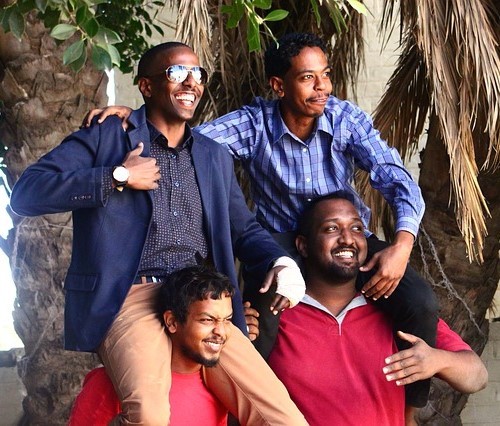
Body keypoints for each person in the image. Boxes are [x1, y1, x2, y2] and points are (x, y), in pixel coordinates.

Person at [83, 32, 438, 405]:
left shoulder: (345, 118)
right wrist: (137, 118)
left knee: (421, 303)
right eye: (307, 78)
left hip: (345, 240)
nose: (323, 88)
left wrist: (402, 244)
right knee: (259, 325)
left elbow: (396, 177)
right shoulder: (254, 124)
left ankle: (412, 408)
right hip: (281, 242)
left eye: (326, 74)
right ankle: (250, 408)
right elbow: (183, 141)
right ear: (277, 85)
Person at [9, 42, 307, 426]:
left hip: (202, 299)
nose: (191, 82)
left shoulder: (213, 155)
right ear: (146, 87)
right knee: (149, 414)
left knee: (282, 417)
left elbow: (244, 227)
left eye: (197, 74)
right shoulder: (107, 138)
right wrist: (117, 176)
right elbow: (27, 192)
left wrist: (281, 261)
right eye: (176, 73)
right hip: (131, 294)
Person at [267, 193, 488, 425]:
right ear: (303, 245)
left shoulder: (396, 310)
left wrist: (437, 361)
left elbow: (478, 376)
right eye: (331, 229)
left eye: (357, 229)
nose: (348, 239)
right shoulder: (276, 314)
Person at [69, 266, 259, 425]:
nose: (221, 332)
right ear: (172, 322)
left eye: (227, 320)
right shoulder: (111, 384)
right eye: (207, 320)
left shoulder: (221, 386)